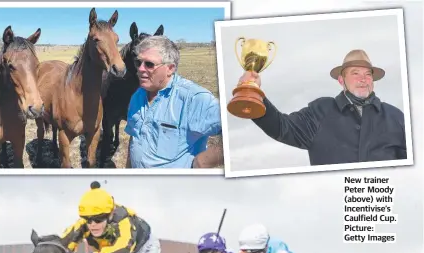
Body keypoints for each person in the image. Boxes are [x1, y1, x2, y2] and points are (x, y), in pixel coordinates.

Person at [236, 49, 407, 165]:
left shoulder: (396, 117)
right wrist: (253, 94)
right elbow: (282, 127)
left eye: (367, 74)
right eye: (355, 73)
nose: (363, 79)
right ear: (342, 80)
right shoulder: (321, 111)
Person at [124, 35, 223, 169]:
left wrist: (202, 162)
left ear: (170, 68)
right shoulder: (138, 95)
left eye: (149, 64)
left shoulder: (193, 98)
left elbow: (240, 133)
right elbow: (135, 138)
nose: (141, 69)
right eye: (138, 62)